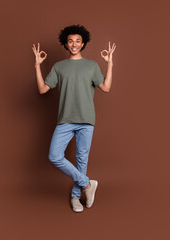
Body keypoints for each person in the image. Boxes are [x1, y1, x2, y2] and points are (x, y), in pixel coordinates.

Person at [32, 24, 116, 213]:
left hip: (86, 119)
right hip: (65, 120)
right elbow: (42, 89)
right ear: (66, 43)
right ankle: (88, 185)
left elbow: (106, 88)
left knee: (81, 160)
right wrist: (37, 66)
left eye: (78, 41)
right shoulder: (59, 67)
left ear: (83, 43)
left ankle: (76, 197)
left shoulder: (92, 65)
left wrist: (109, 64)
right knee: (54, 156)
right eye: (71, 41)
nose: (74, 44)